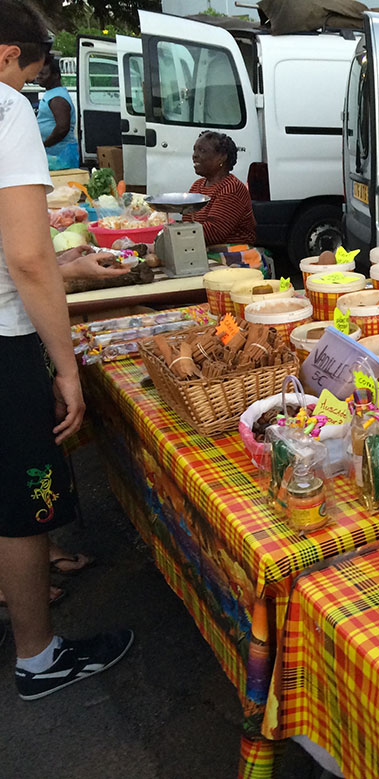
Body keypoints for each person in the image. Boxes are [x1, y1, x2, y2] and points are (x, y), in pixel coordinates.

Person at [0, 0, 133, 700]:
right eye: (29, 73)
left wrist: (68, 266)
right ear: (6, 56)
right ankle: (38, 656)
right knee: (21, 501)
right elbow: (25, 257)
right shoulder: (7, 109)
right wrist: (66, 366)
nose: (31, 87)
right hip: (3, 343)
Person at [182, 130, 257, 247]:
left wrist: (175, 234)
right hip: (201, 247)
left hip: (233, 252)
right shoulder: (198, 185)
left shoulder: (232, 188)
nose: (195, 155)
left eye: (202, 150)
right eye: (194, 150)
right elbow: (187, 221)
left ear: (221, 158)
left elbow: (213, 234)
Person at [34, 52, 78, 171]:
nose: (38, 77)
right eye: (38, 73)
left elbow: (62, 128)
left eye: (43, 74)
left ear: (55, 76)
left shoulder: (58, 98)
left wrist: (44, 145)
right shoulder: (52, 93)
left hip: (60, 156)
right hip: (55, 155)